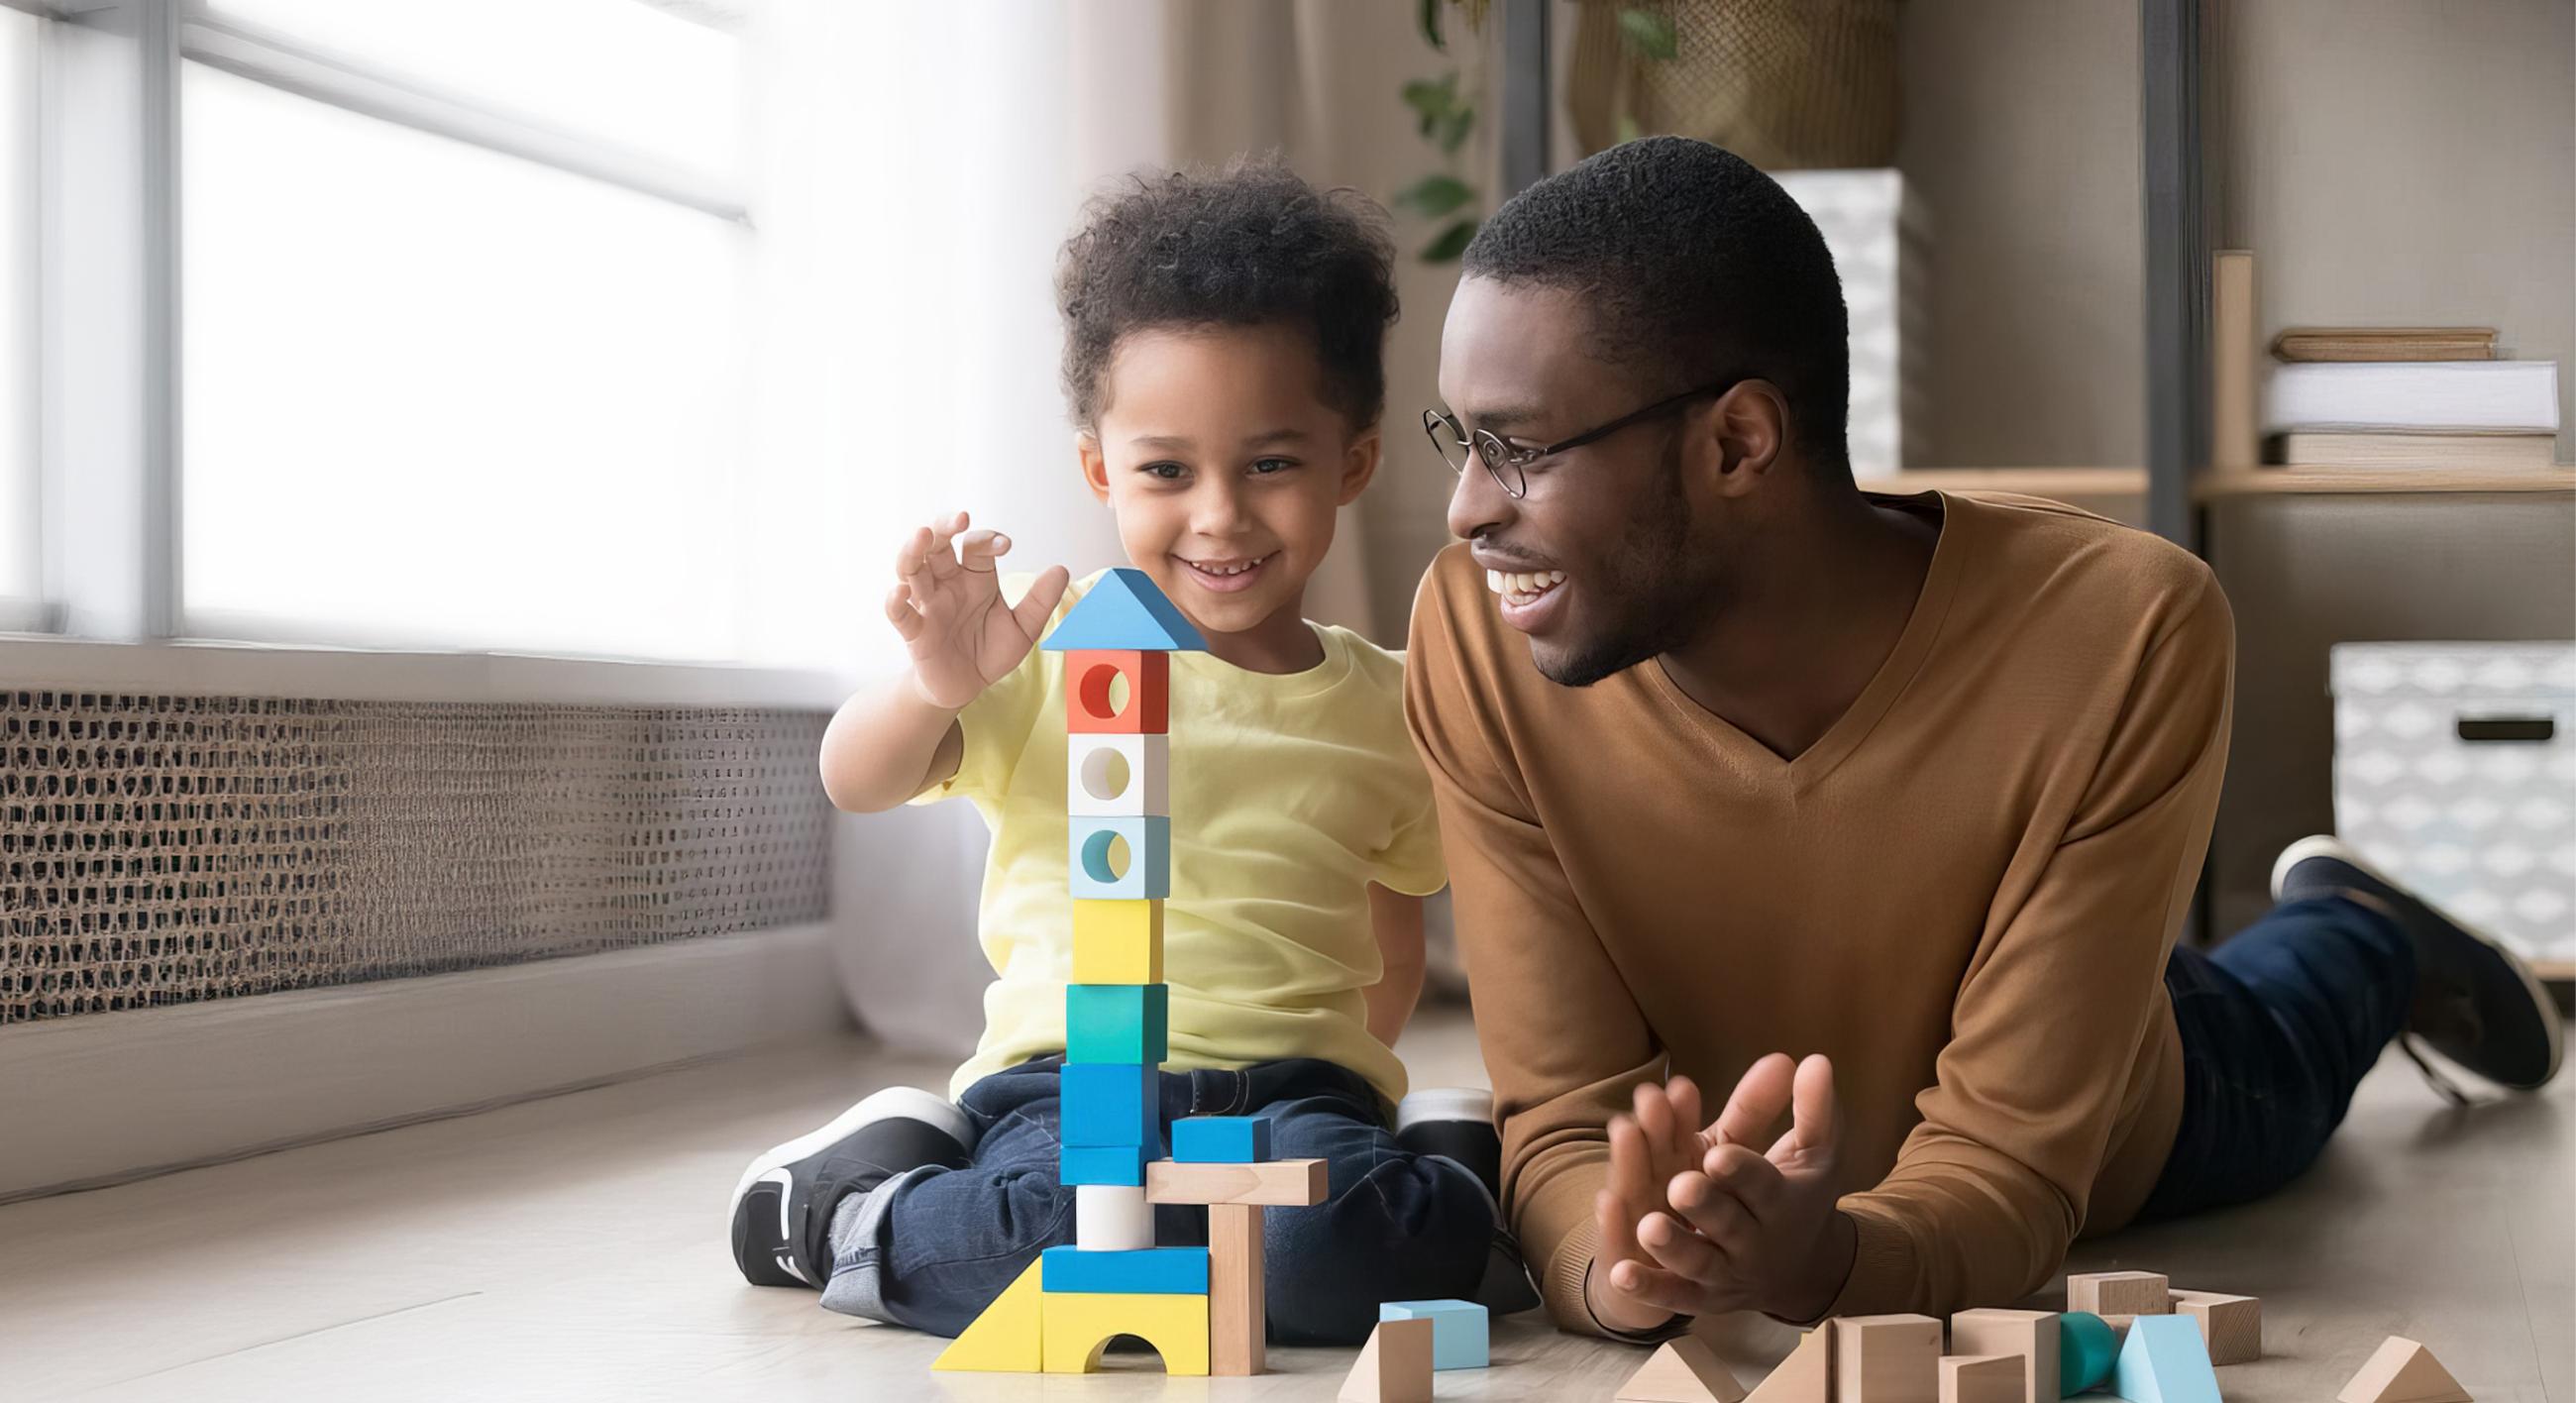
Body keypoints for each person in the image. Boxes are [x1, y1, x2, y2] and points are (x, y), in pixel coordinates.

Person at [1402, 135, 2564, 1340]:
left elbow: (2012, 1168)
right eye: (1463, 440)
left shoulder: (2121, 630)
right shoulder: (1478, 637)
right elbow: (1560, 1117)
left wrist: (1823, 1263)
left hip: (2105, 1113)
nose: (1466, 508)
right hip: (1884, 1043)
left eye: (1520, 449)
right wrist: (1626, 1270)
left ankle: (2362, 929)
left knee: (2285, 1026)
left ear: (1738, 442)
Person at [725, 159, 1527, 1346]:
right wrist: (937, 683)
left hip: (1292, 1093)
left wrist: (1352, 1081)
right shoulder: (1041, 652)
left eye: (1270, 463)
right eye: (1165, 470)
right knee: (1042, 1242)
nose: (1218, 514)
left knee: (1332, 1263)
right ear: (1100, 468)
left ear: (1349, 463)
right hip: (1063, 1088)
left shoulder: (1387, 703)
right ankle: (856, 1196)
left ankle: (1438, 1158)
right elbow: (856, 776)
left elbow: (1389, 930)